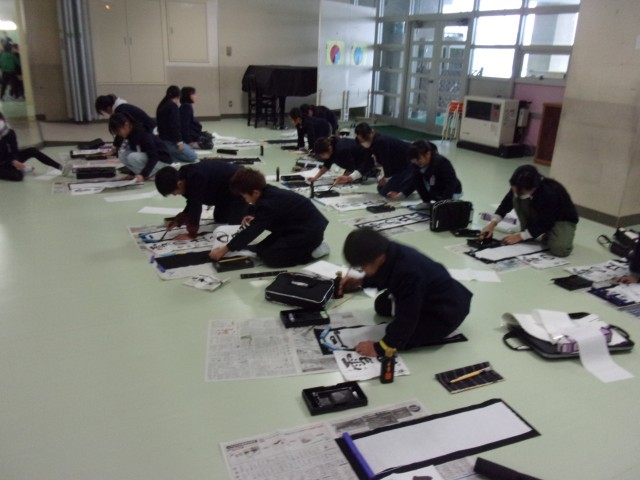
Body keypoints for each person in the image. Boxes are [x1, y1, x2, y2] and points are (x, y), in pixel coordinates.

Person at [340, 228, 472, 357]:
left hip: (445, 312)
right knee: (381, 305)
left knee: (403, 336)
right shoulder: (388, 250)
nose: (362, 270)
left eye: (362, 267)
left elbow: (407, 316)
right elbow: (385, 273)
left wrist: (380, 348)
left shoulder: (408, 273)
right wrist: (361, 282)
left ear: (379, 259)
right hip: (426, 294)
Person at [209, 168, 329, 268]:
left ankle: (313, 252)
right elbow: (271, 214)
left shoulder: (268, 204)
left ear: (255, 192)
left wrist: (224, 250)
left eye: (245, 196)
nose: (245, 200)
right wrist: (256, 217)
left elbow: (252, 231)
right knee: (260, 250)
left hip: (309, 232)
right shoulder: (267, 191)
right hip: (295, 227)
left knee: (271, 259)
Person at [481, 164, 579, 257]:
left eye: (522, 192)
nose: (516, 193)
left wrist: (521, 236)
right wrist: (492, 224)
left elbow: (547, 222)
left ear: (534, 187)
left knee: (560, 249)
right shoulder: (519, 185)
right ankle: (530, 232)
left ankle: (547, 234)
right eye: (514, 189)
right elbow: (505, 205)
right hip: (541, 215)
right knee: (518, 199)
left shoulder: (550, 193)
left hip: (561, 219)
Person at [154, 162, 248, 240]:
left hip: (240, 185)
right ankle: (245, 210)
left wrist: (191, 234)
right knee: (220, 219)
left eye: (173, 192)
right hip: (222, 191)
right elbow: (191, 202)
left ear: (179, 184)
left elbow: (196, 206)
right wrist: (177, 221)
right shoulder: (183, 177)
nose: (174, 195)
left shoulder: (195, 178)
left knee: (234, 229)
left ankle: (250, 212)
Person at [386, 140, 463, 209]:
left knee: (441, 207)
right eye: (414, 160)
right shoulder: (417, 163)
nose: (417, 162)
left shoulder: (442, 162)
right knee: (417, 176)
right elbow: (414, 181)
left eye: (418, 159)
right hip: (435, 188)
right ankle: (427, 202)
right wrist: (401, 194)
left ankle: (443, 203)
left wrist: (443, 204)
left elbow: (451, 184)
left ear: (428, 154)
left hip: (453, 192)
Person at [108, 112, 172, 182]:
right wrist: (131, 174)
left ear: (126, 125)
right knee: (122, 155)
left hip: (162, 161)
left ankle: (152, 175)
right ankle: (143, 174)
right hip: (152, 160)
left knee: (132, 157)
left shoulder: (143, 134)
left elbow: (153, 157)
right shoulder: (130, 135)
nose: (119, 135)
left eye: (119, 132)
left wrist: (143, 175)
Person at [354, 122, 413, 197]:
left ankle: (411, 183)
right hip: (398, 165)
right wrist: (352, 177)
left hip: (409, 164)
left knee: (385, 191)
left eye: (364, 138)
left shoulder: (380, 141)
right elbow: (368, 162)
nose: (363, 142)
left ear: (370, 133)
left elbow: (386, 163)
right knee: (381, 188)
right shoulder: (371, 142)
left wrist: (386, 179)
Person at [0, 113, 64, 181]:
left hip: (9, 159)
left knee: (32, 150)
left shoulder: (10, 133)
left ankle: (60, 167)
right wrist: (12, 162)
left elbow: (14, 150)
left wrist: (15, 160)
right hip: (2, 163)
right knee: (17, 176)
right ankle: (19, 169)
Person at [156, 85, 197, 163]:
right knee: (192, 156)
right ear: (179, 96)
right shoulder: (173, 107)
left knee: (189, 150)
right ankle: (170, 156)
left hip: (162, 139)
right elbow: (175, 126)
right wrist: (179, 142)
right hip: (170, 141)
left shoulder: (162, 105)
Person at [308, 136, 374, 184]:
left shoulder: (341, 150)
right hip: (356, 165)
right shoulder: (330, 149)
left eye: (322, 155)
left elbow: (350, 168)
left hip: (366, 163)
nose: (322, 157)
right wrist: (315, 178)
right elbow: (326, 166)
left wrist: (342, 179)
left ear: (329, 148)